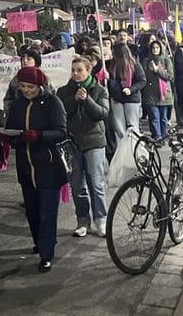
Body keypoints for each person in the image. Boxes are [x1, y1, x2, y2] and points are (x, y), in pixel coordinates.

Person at [5, 66, 68, 272]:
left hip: (48, 166)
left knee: (47, 211)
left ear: (39, 85)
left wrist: (39, 136)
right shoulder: (17, 105)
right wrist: (7, 136)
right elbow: (13, 128)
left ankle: (47, 252)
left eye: (30, 86)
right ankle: (39, 242)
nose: (26, 90)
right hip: (26, 166)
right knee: (32, 210)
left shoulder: (52, 103)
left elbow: (61, 132)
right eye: (23, 86)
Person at [57, 56, 110, 238]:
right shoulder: (63, 91)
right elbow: (61, 113)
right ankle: (82, 220)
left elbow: (102, 113)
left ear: (88, 71)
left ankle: (101, 219)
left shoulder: (99, 90)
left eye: (80, 70)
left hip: (94, 141)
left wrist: (87, 100)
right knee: (77, 185)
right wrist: (74, 99)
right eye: (73, 70)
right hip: (72, 142)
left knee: (96, 183)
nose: (76, 74)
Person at [106, 42, 146, 153]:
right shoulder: (110, 65)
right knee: (119, 127)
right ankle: (122, 151)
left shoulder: (134, 65)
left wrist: (131, 89)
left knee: (132, 125)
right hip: (117, 98)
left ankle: (137, 150)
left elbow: (142, 81)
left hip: (131, 99)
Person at [142, 40, 174, 141]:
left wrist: (157, 70)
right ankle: (157, 136)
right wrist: (151, 70)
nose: (155, 50)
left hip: (164, 94)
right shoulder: (146, 61)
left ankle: (163, 134)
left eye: (157, 47)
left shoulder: (166, 61)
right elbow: (144, 77)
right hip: (151, 94)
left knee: (163, 118)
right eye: (153, 48)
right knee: (154, 116)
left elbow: (169, 76)